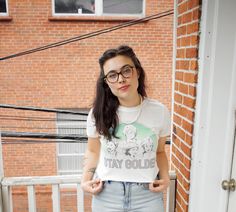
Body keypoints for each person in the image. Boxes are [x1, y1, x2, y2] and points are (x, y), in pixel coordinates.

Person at [81, 45, 171, 212]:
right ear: (107, 82)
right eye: (112, 75)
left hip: (147, 196)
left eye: (126, 71)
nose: (121, 79)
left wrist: (165, 178)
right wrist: (85, 180)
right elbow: (93, 152)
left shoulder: (159, 112)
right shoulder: (97, 113)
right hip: (106, 194)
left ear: (137, 71)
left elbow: (159, 152)